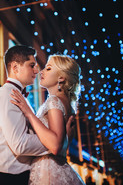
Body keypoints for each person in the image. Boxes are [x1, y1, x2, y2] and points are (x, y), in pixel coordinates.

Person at [11, 54, 86, 184]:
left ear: (61, 78)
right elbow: (62, 146)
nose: (42, 71)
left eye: (48, 68)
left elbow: (55, 146)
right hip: (56, 168)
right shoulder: (67, 105)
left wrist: (29, 113)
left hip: (47, 172)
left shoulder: (54, 101)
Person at [0, 45, 49, 185]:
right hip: (8, 179)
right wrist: (53, 141)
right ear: (15, 67)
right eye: (31, 65)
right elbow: (19, 144)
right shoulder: (8, 95)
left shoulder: (17, 96)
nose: (36, 71)